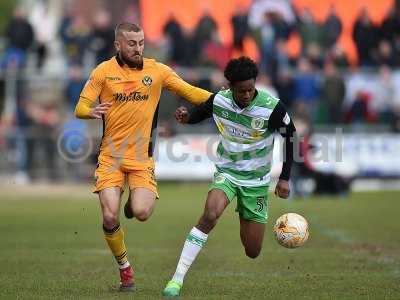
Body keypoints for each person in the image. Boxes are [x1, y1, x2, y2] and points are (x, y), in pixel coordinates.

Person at [74, 23, 212, 291]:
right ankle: (125, 269)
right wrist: (89, 111)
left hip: (141, 159)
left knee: (142, 212)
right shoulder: (103, 72)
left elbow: (190, 92)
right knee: (110, 217)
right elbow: (80, 106)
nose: (138, 48)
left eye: (141, 42)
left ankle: (132, 204)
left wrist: (222, 101)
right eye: (132, 43)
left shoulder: (157, 71)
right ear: (118, 45)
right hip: (110, 157)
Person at [162, 56, 296, 297]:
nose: (247, 94)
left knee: (252, 250)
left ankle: (245, 213)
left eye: (251, 89)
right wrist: (186, 117)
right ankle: (177, 279)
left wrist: (284, 177)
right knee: (210, 214)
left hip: (256, 182)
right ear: (231, 87)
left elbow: (291, 137)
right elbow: (199, 113)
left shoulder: (272, 107)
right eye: (242, 90)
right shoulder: (219, 100)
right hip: (227, 173)